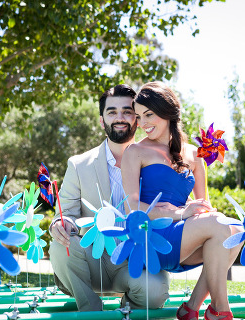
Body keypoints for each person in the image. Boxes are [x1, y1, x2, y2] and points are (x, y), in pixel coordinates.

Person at [121, 81, 244, 320]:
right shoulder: (134, 151)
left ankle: (191, 308)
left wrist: (191, 210)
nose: (143, 123)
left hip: (185, 239)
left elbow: (204, 205)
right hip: (152, 237)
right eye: (138, 117)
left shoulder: (195, 154)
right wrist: (178, 214)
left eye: (149, 115)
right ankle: (220, 309)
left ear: (167, 112)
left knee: (235, 230)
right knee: (220, 225)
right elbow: (132, 208)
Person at [49, 84, 170, 311]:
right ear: (102, 119)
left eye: (127, 111)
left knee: (155, 293)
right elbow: (67, 214)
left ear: (138, 118)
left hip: (136, 260)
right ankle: (90, 310)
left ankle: (127, 307)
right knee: (59, 247)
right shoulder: (78, 164)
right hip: (92, 259)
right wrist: (61, 223)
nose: (120, 118)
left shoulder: (158, 163)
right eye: (112, 112)